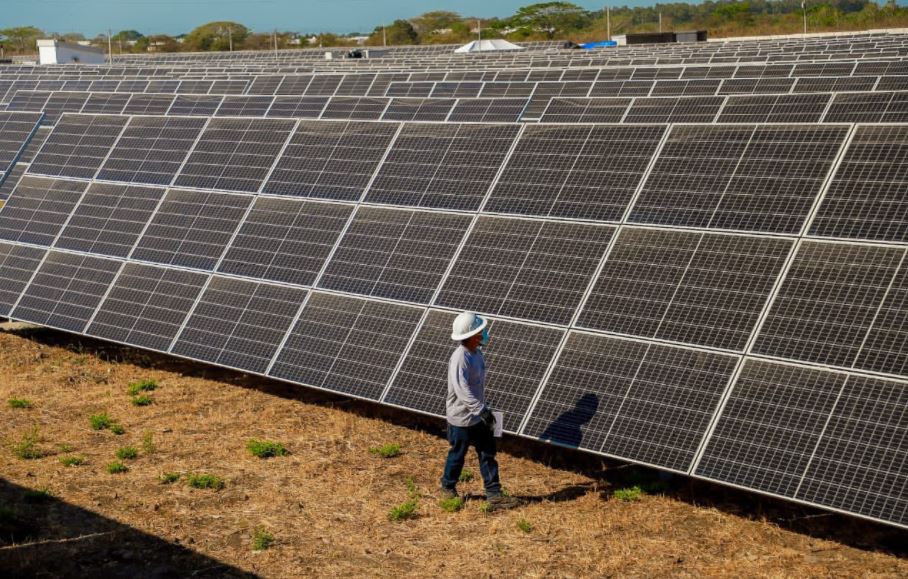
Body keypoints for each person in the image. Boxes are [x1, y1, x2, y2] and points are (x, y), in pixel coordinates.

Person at [440, 312, 520, 510]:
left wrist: (483, 411)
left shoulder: (476, 353)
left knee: (487, 453)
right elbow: (462, 389)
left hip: (477, 415)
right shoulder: (460, 357)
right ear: (473, 335)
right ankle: (447, 488)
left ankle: (494, 494)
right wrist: (481, 410)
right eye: (481, 331)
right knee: (458, 454)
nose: (484, 333)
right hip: (461, 419)